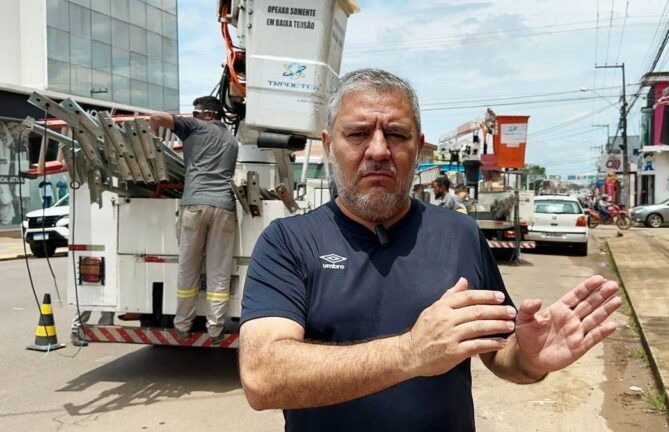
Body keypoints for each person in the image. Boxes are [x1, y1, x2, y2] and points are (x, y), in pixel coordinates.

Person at [238, 69, 621, 431]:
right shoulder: (288, 242)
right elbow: (262, 377)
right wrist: (411, 352)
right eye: (357, 133)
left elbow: (499, 351)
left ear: (418, 148)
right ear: (328, 145)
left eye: (396, 135)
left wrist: (529, 359)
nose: (378, 150)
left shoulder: (460, 235)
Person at [150, 96, 239, 344]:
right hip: (224, 207)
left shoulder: (196, 127)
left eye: (196, 113)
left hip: (195, 204)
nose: (192, 117)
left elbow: (156, 117)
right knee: (219, 270)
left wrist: (153, 138)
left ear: (208, 115)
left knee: (188, 267)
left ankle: (183, 324)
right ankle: (215, 329)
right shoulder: (233, 141)